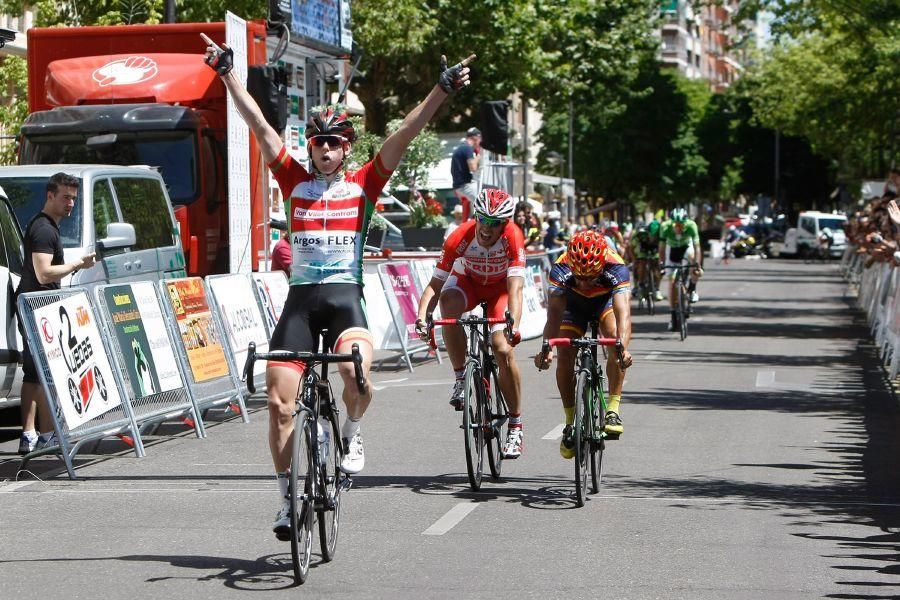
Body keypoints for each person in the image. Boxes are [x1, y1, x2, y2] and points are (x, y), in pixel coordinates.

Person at [205, 39, 475, 538]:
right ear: (310, 147)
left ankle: (350, 433)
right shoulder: (292, 181)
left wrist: (440, 90)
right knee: (280, 401)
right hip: (302, 304)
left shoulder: (365, 185)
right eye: (317, 143)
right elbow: (260, 126)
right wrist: (227, 74)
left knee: (355, 378)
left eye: (334, 143)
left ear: (347, 149)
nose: (325, 150)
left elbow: (407, 131)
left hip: (346, 300)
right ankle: (287, 501)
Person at [415, 188, 526, 458]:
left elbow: (516, 288)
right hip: (470, 284)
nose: (487, 229)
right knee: (448, 303)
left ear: (505, 224)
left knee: (501, 348)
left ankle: (515, 424)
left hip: (500, 290)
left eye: (495, 223)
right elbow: (435, 285)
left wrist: (513, 323)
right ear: (476, 217)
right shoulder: (459, 237)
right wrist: (421, 316)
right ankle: (460, 375)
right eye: (483, 220)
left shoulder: (513, 237)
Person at [14, 173, 96, 453]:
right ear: (50, 195)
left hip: (41, 307)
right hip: (35, 306)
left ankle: (42, 434)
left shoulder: (48, 227)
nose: (70, 203)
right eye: (65, 197)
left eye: (74, 197)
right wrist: (78, 265)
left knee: (42, 373)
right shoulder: (44, 229)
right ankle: (32, 434)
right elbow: (43, 271)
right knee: (38, 373)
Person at [534, 229, 633, 457]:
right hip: (573, 305)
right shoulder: (560, 268)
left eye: (590, 277)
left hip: (604, 302)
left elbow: (623, 314)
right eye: (579, 277)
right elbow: (554, 315)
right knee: (565, 352)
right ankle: (570, 422)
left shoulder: (616, 266)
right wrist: (546, 347)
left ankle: (613, 410)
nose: (585, 282)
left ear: (601, 265)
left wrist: (623, 348)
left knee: (613, 337)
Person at [658, 208, 703, 332]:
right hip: (672, 250)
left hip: (686, 248)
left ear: (685, 222)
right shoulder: (665, 227)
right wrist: (661, 263)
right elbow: (661, 248)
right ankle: (673, 316)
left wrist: (697, 264)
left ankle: (692, 288)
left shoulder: (692, 226)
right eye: (676, 224)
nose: (678, 227)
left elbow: (697, 247)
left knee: (694, 262)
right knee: (671, 283)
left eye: (681, 224)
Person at [450, 127, 482, 220]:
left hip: (460, 186)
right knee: (484, 204)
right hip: (465, 186)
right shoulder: (467, 148)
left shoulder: (461, 147)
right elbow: (473, 167)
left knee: (472, 212)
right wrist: (479, 155)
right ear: (476, 138)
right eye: (480, 139)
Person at [627, 226, 661, 300]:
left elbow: (660, 248)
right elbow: (631, 248)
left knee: (656, 266)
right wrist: (634, 259)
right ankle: (640, 284)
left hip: (653, 248)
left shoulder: (654, 236)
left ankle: (656, 288)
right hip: (642, 249)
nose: (643, 236)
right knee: (641, 263)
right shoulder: (636, 237)